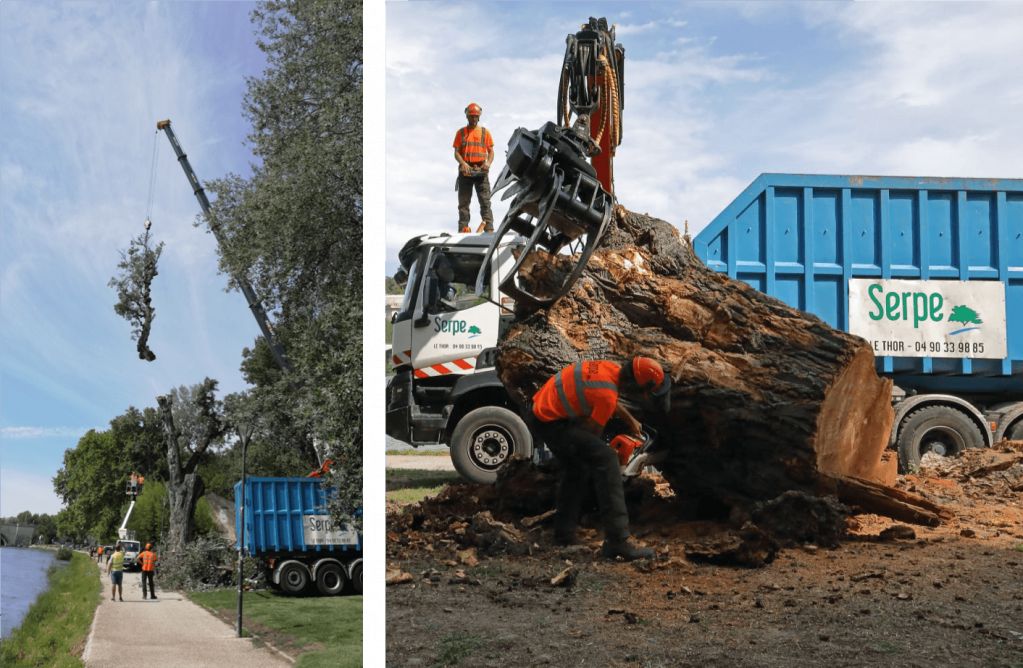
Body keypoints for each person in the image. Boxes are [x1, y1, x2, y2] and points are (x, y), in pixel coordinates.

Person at [529, 356, 672, 561]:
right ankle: (618, 541)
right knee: (606, 460)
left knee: (577, 469)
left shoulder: (611, 370)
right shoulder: (606, 394)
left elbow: (608, 397)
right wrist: (612, 456)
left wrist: (630, 419)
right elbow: (593, 431)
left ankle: (563, 534)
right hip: (551, 422)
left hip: (543, 412)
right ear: (637, 387)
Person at [453, 102, 495, 233]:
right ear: (467, 116)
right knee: (463, 204)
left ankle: (489, 229)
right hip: (466, 172)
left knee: (485, 202)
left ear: (479, 117)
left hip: (481, 170)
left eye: (476, 116)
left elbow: (491, 151)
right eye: (471, 116)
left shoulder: (485, 132)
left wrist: (487, 163)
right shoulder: (461, 133)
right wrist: (463, 164)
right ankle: (463, 229)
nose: (474, 119)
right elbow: (456, 152)